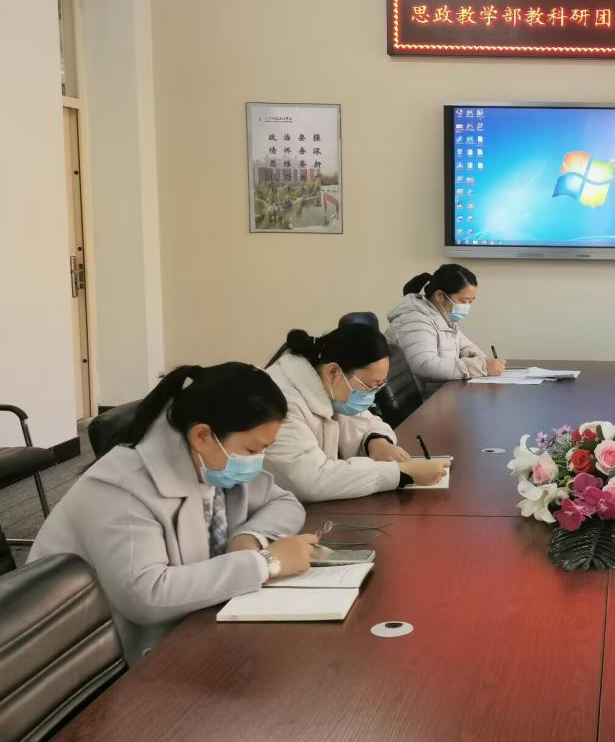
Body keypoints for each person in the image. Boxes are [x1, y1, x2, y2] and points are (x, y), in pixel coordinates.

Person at [28, 363, 315, 664]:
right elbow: (147, 595)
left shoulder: (213, 460)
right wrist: (265, 564)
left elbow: (284, 503)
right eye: (253, 450)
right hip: (86, 661)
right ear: (202, 435)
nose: (257, 461)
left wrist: (249, 538)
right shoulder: (123, 486)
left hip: (186, 625)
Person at [264, 325, 450, 501]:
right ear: (333, 372)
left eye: (378, 387)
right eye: (369, 386)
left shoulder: (332, 387)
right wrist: (401, 473)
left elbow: (367, 421)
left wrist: (376, 441)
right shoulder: (280, 403)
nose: (371, 396)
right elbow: (311, 480)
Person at [385, 263, 506, 397]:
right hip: (421, 402)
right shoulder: (414, 320)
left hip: (441, 394)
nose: (467, 307)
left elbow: (466, 346)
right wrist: (480, 367)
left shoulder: (443, 317)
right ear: (440, 296)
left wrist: (479, 359)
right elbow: (425, 365)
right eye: (463, 301)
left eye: (471, 301)